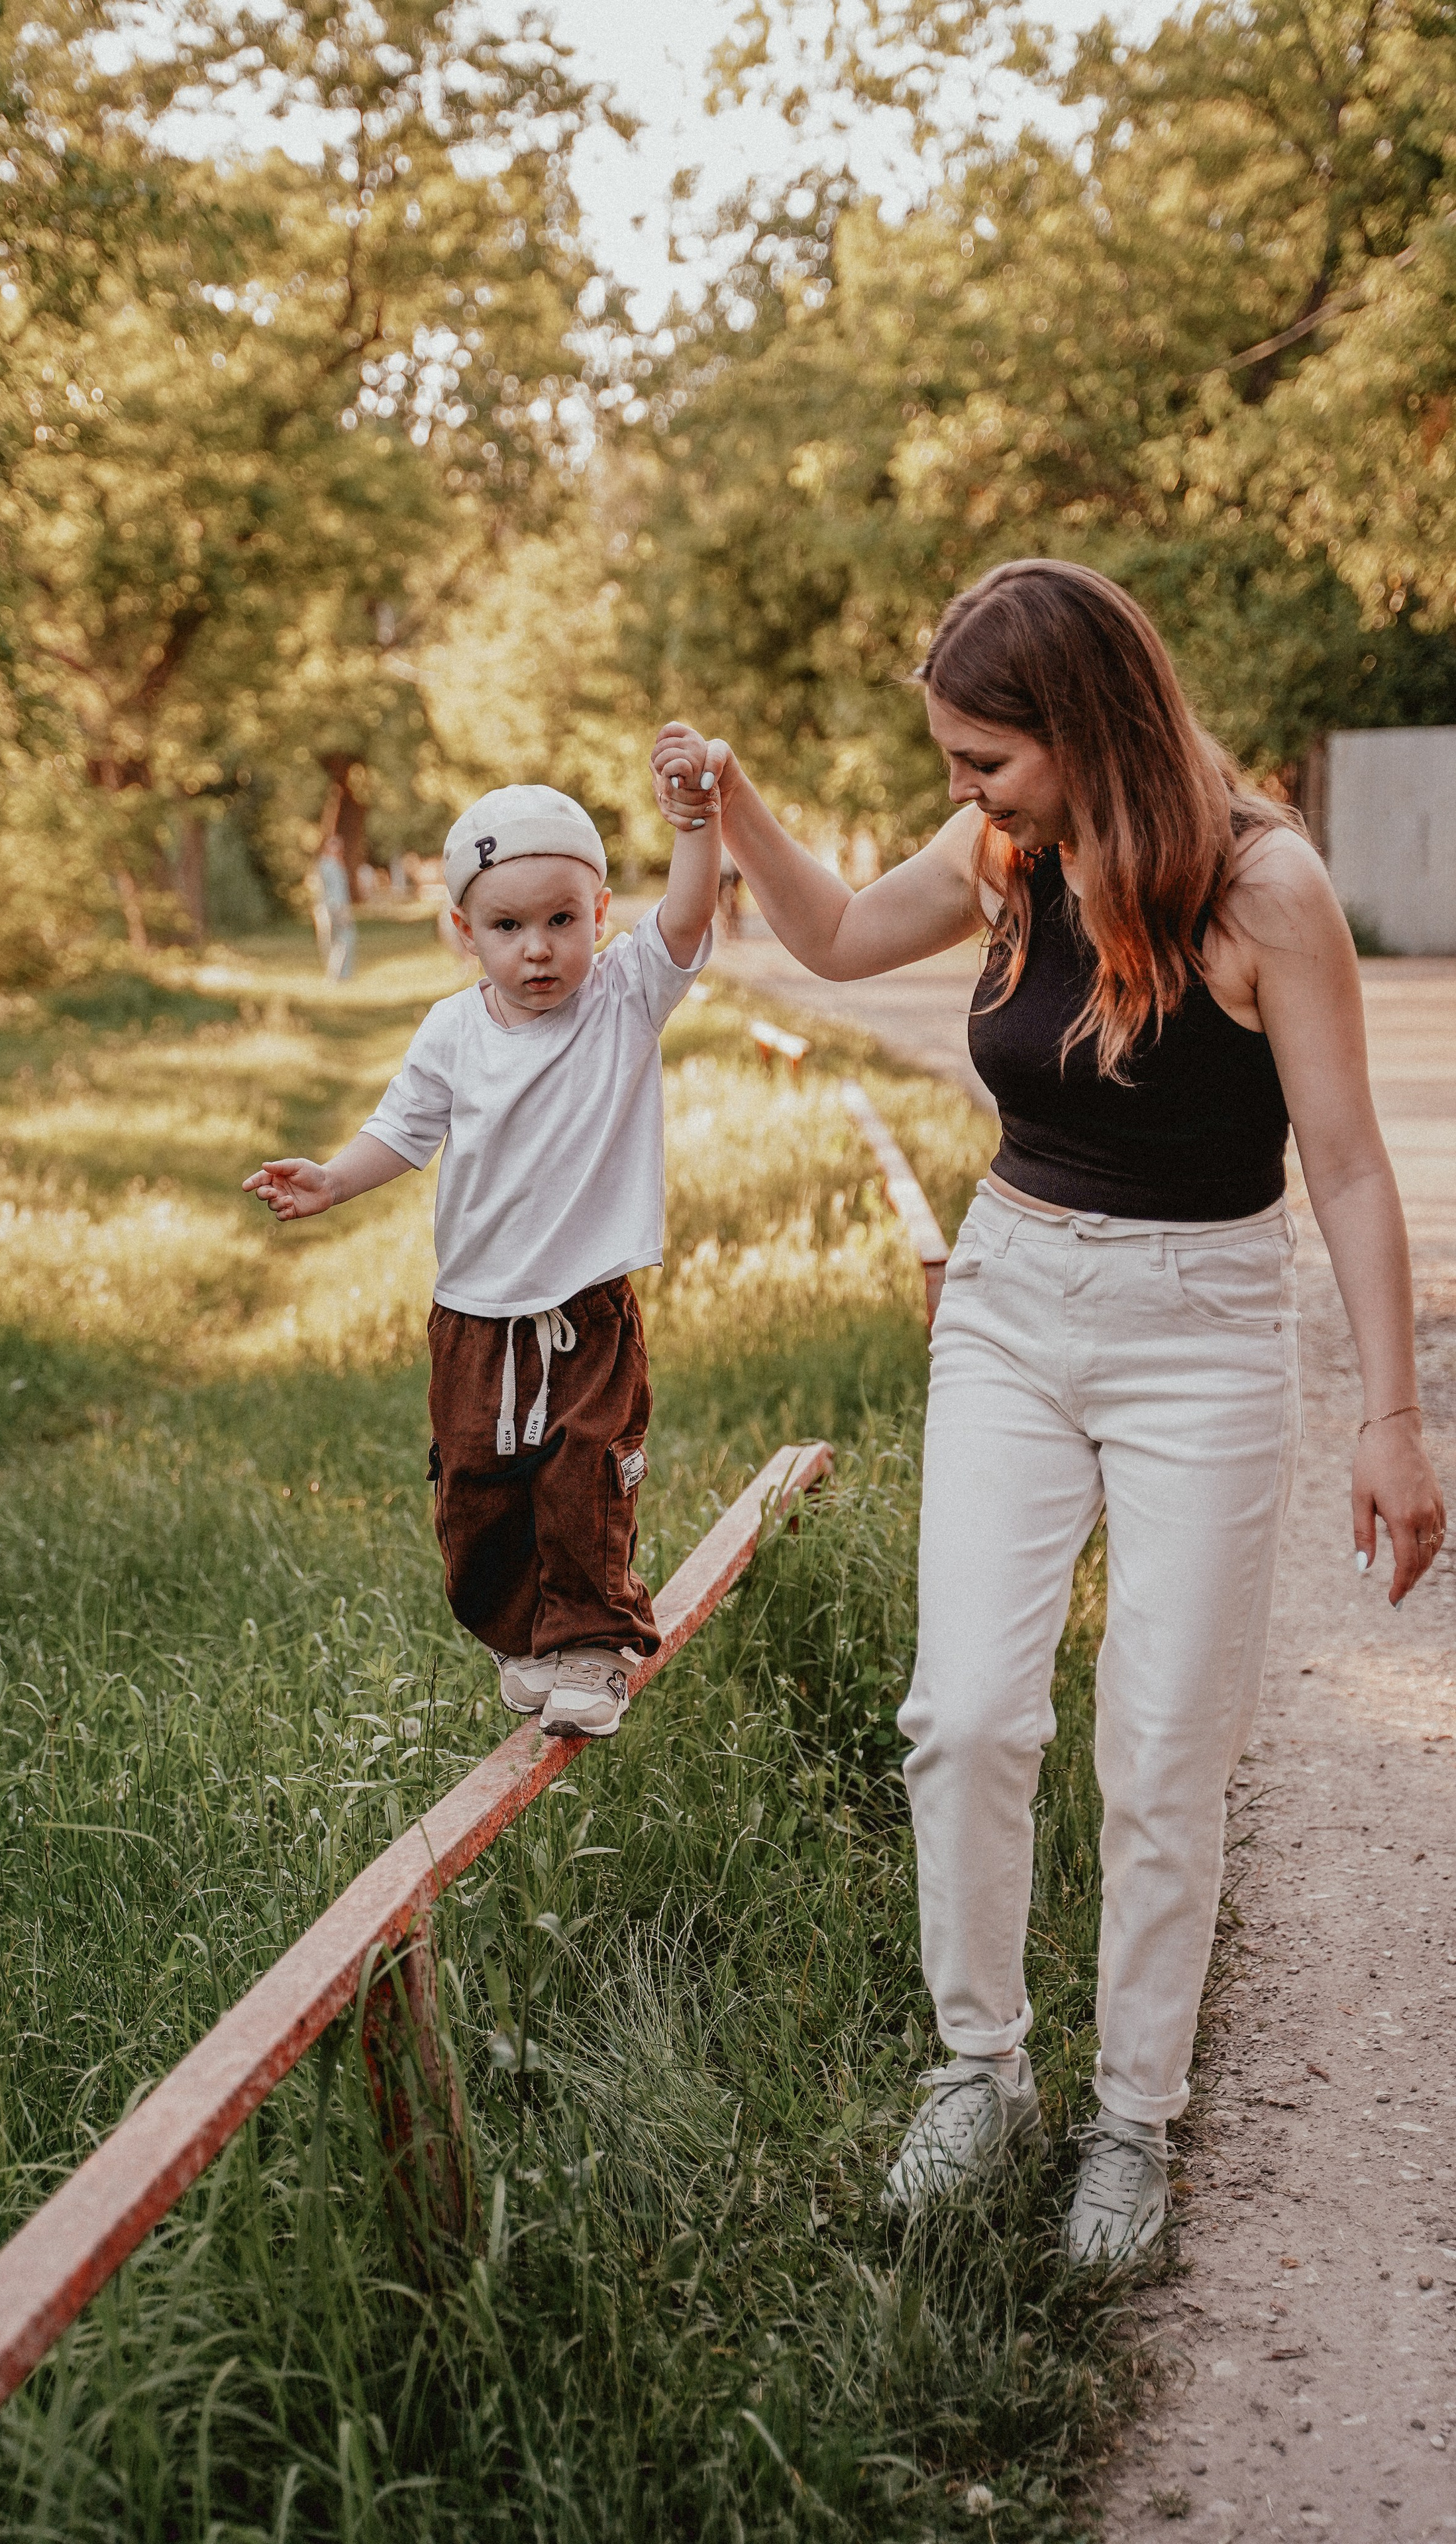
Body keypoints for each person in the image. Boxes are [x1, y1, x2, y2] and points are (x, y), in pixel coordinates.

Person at [651, 559, 1445, 2262]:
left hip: (1204, 1331)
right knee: (965, 1715)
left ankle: (1132, 2119)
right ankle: (978, 2072)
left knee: (1162, 1744)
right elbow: (835, 932)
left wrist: (1390, 1418)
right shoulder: (1005, 850)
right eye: (950, 758)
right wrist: (736, 803)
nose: (960, 790)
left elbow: (1356, 1169)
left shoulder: (1264, 887)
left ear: (1084, 728)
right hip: (1010, 1300)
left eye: (982, 758)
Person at [244, 783, 719, 1738]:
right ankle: (522, 1638)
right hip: (474, 1314)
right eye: (508, 926)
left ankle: (592, 1647)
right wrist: (333, 1181)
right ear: (464, 929)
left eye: (559, 922)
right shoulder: (452, 1033)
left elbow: (689, 913)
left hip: (586, 1312)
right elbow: (404, 1129)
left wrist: (697, 828)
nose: (537, 948)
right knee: (477, 1488)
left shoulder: (624, 998)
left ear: (599, 916)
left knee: (583, 1476)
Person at [309, 837, 356, 982]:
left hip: (326, 908)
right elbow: (334, 892)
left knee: (335, 941)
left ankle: (338, 974)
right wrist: (340, 910)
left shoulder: (324, 865)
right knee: (343, 940)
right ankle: (338, 975)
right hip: (334, 908)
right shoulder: (330, 866)